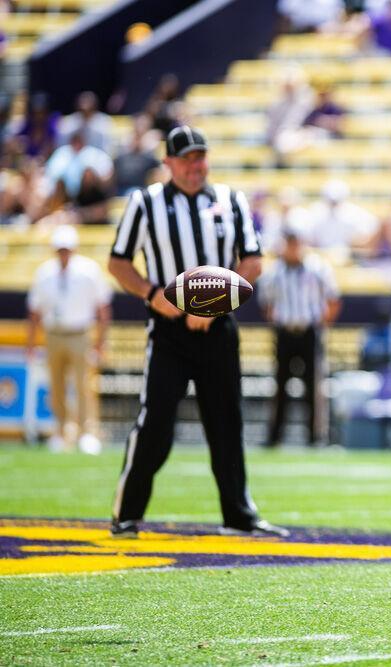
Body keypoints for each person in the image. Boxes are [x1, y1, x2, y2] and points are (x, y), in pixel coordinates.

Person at [107, 126, 286, 538]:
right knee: (155, 424)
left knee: (227, 422)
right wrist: (155, 295)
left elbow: (253, 262)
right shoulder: (145, 202)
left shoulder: (230, 199)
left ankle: (239, 514)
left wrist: (212, 305)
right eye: (186, 158)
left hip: (218, 328)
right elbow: (118, 263)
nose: (195, 166)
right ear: (168, 162)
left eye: (200, 157)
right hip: (168, 331)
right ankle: (127, 513)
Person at [26, 224, 111, 455]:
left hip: (80, 333)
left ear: (73, 249)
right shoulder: (44, 273)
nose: (63, 253)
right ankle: (61, 432)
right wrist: (31, 343)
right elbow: (35, 311)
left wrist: (101, 340)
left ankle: (87, 433)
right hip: (53, 333)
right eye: (60, 249)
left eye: (67, 249)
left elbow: (103, 307)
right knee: (57, 385)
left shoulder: (89, 271)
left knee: (84, 385)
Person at [258, 225, 341, 447]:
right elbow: (266, 302)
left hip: (309, 331)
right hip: (285, 332)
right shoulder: (275, 271)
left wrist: (321, 324)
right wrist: (277, 321)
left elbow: (333, 299)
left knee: (313, 387)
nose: (294, 248)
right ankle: (274, 437)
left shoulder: (318, 268)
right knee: (280, 385)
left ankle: (316, 437)